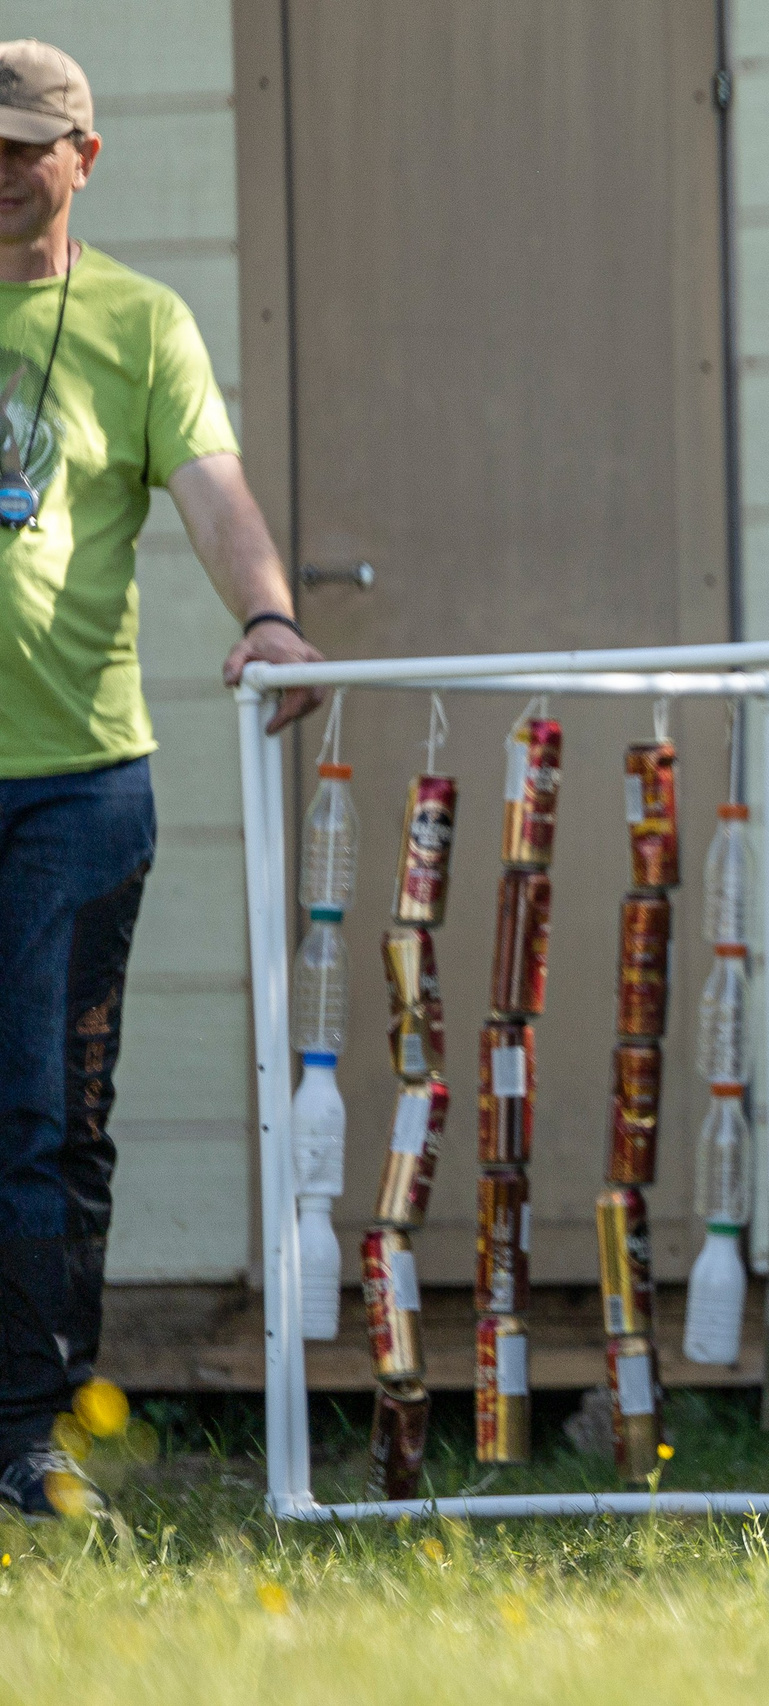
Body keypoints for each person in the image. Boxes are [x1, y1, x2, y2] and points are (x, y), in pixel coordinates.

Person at [0, 39, 324, 1516]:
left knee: (46, 1116)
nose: (5, 169)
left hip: (78, 786)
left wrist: (268, 614)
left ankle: (26, 1433)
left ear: (84, 157)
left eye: (28, 144)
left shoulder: (141, 322)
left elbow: (213, 491)